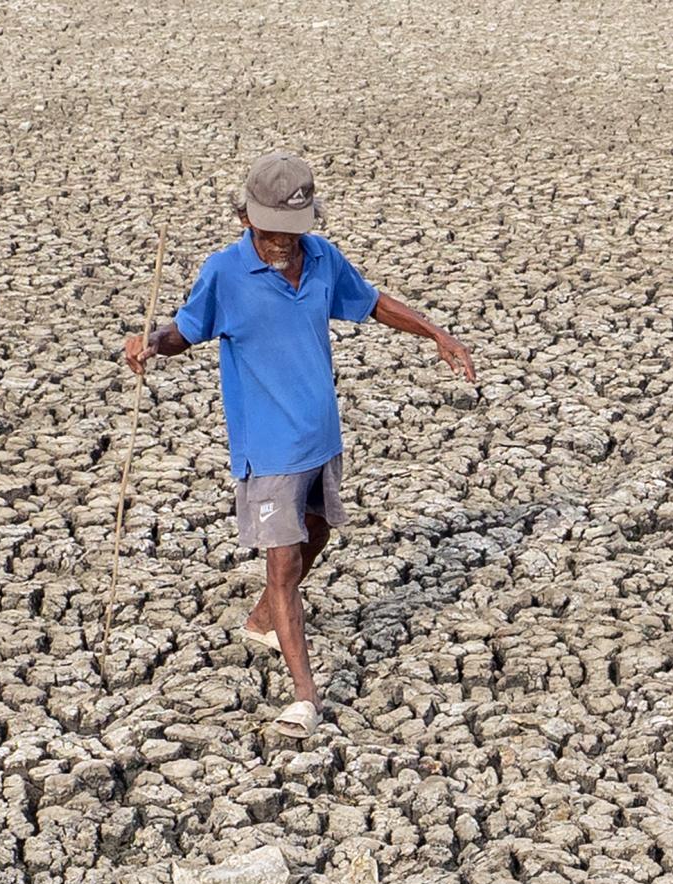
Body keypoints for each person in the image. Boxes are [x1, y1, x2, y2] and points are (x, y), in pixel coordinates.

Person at [122, 151, 476, 737]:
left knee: (319, 532)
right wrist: (150, 344)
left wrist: (436, 333)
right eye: (271, 230)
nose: (285, 242)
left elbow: (373, 303)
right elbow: (183, 331)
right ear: (246, 219)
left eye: (294, 228)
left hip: (320, 435)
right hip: (268, 448)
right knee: (283, 563)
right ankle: (305, 698)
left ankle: (264, 617)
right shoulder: (224, 274)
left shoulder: (322, 258)